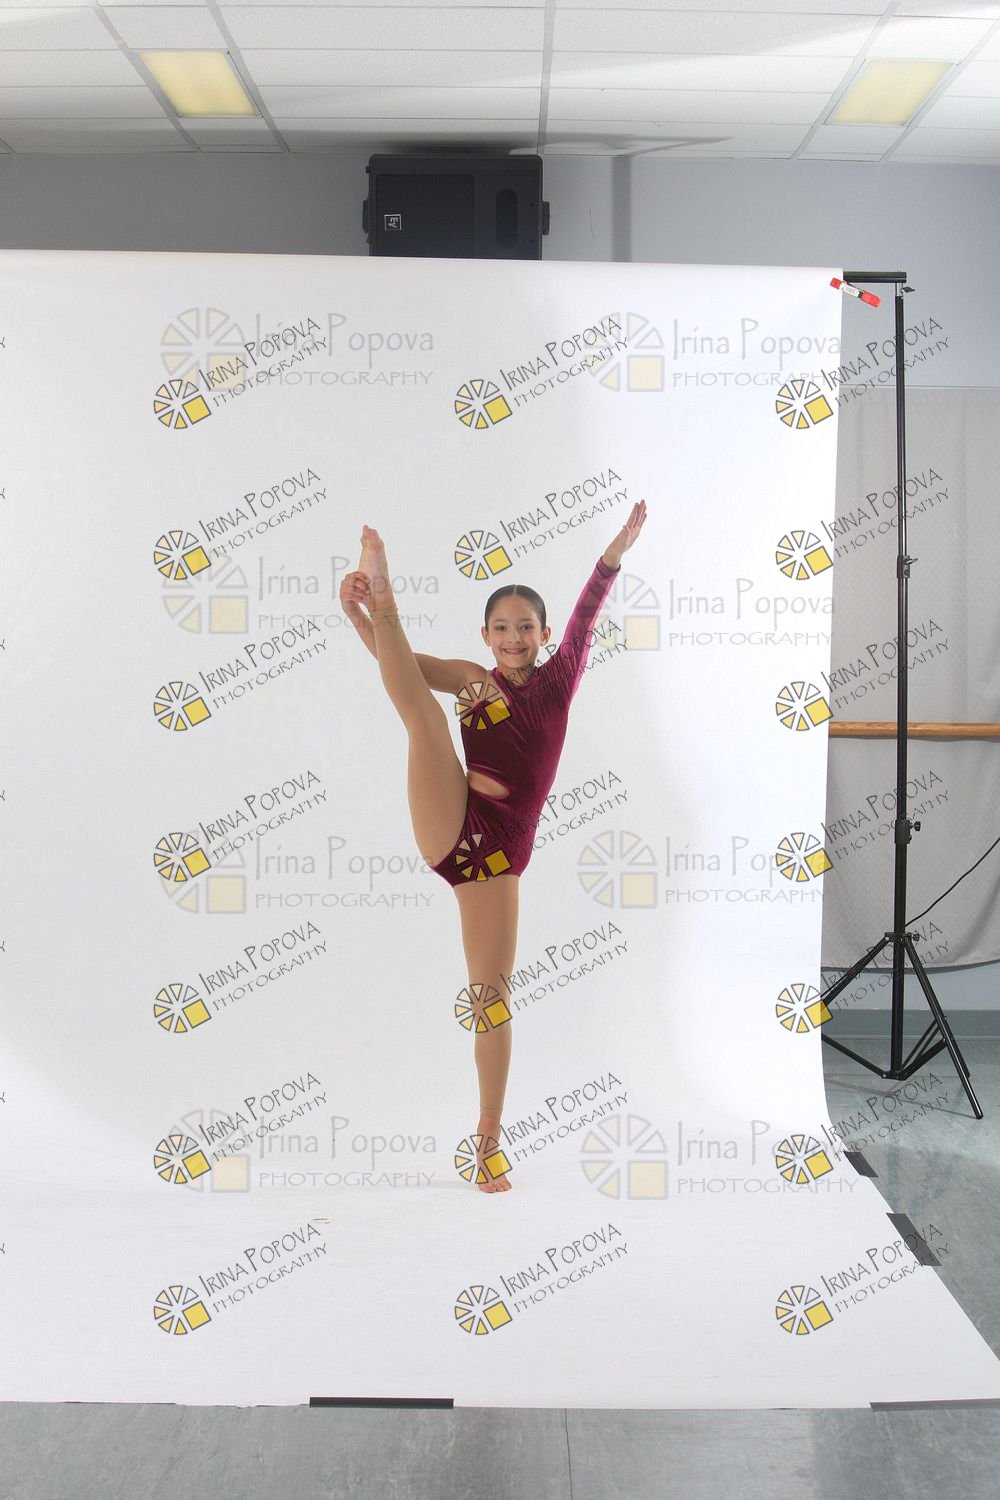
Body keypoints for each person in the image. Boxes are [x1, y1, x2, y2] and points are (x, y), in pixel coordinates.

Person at [340, 500, 647, 1193]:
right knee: (424, 717)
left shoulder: (560, 680)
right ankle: (385, 591)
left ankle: (487, 1142)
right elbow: (401, 666)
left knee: (491, 997)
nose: (513, 638)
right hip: (451, 818)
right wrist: (359, 614)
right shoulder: (474, 678)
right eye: (501, 628)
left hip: (497, 858)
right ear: (486, 634)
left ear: (542, 635)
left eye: (525, 627)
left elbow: (587, 615)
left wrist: (613, 555)